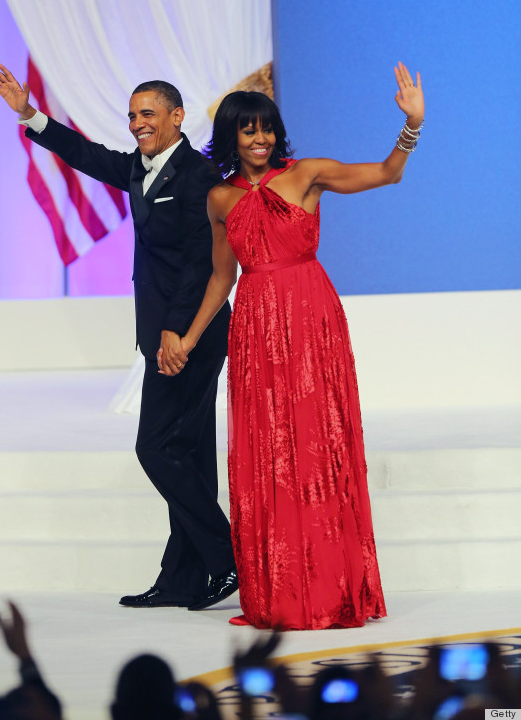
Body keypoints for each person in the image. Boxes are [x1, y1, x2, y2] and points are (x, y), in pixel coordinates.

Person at [160, 62, 425, 629]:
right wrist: (188, 335)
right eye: (249, 130)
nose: (261, 139)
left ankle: (329, 586)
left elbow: (386, 174)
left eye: (268, 128)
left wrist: (411, 127)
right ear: (231, 135)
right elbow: (219, 279)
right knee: (268, 454)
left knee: (314, 445)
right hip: (255, 327)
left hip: (309, 319)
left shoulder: (306, 174)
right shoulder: (221, 200)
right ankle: (281, 591)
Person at [0, 64, 238, 611]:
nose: (137, 123)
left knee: (156, 447)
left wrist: (178, 334)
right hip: (161, 332)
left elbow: (201, 264)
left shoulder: (200, 177)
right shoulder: (139, 169)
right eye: (131, 115)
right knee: (187, 452)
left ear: (177, 116)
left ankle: (226, 556)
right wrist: (30, 114)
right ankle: (183, 579)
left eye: (148, 114)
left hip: (192, 332)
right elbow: (86, 155)